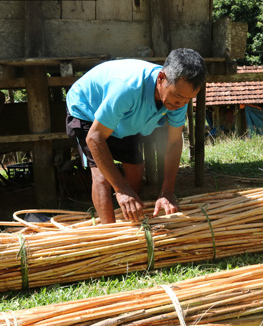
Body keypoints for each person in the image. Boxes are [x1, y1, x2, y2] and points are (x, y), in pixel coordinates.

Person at [66, 48, 207, 224]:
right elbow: (94, 138)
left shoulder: (179, 99)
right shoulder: (128, 88)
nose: (181, 105)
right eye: (178, 97)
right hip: (88, 111)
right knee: (102, 177)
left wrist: (167, 192)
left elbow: (173, 142)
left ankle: (129, 218)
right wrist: (121, 189)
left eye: (188, 100)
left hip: (124, 120)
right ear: (161, 78)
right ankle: (111, 236)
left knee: (135, 169)